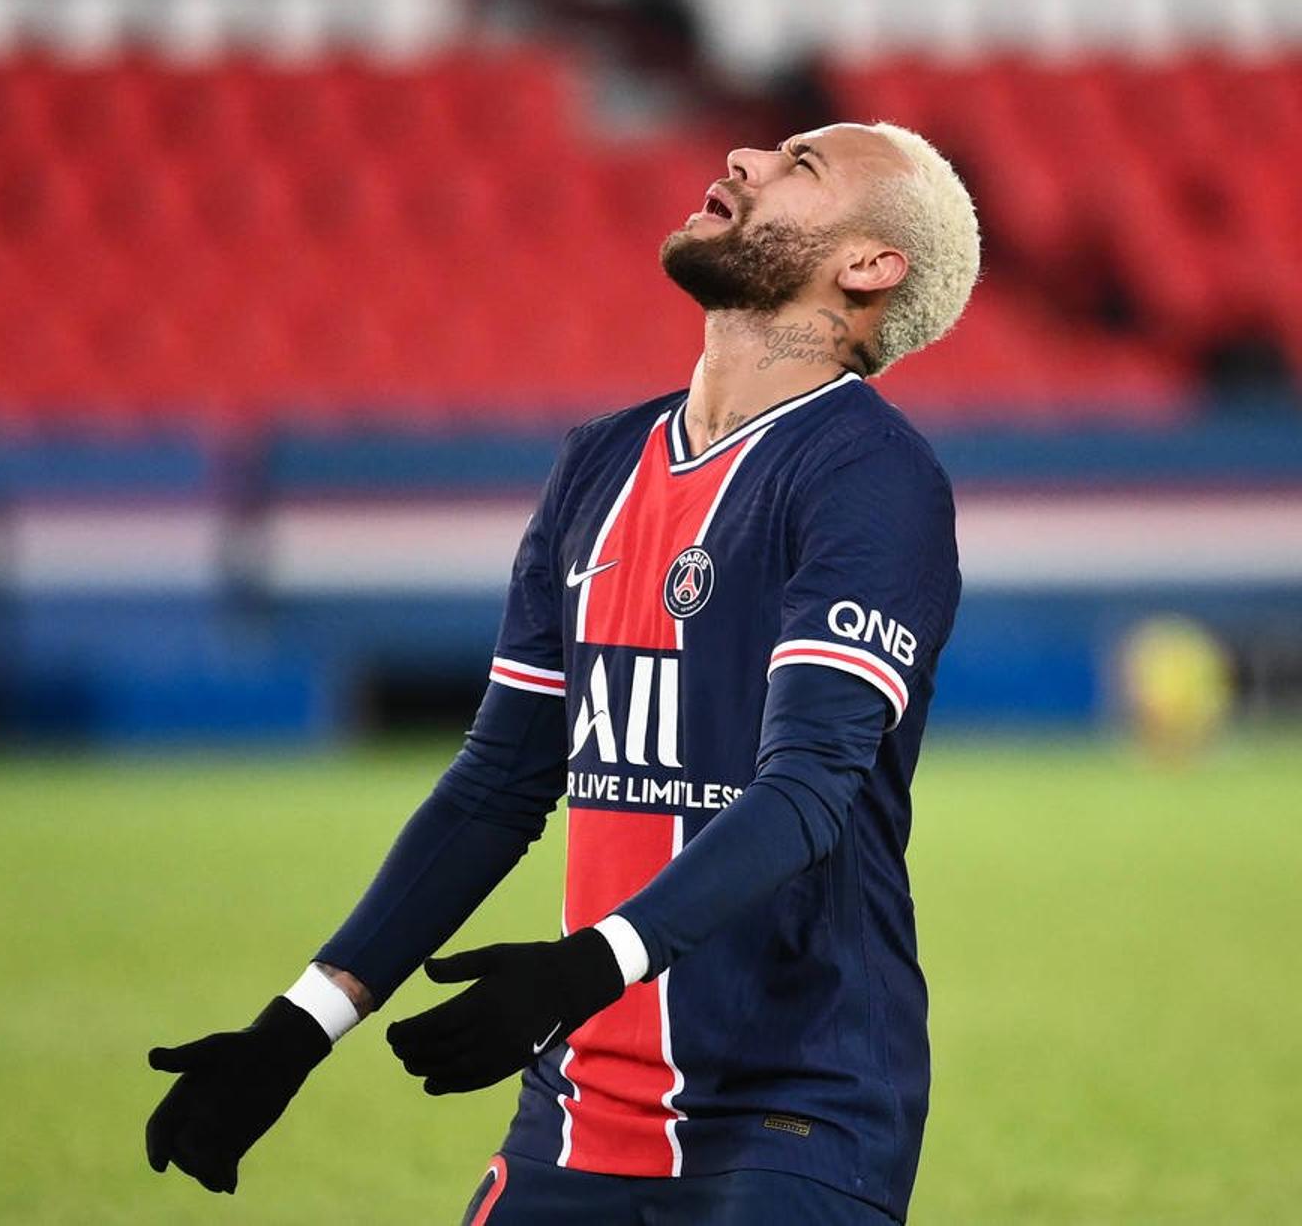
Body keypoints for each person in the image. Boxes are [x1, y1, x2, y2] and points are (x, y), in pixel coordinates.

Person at [146, 122, 980, 1224]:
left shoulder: (871, 477)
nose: (746, 159)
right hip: (578, 1104)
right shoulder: (598, 465)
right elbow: (497, 785)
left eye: (802, 166)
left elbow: (807, 790)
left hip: (797, 1107)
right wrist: (299, 1027)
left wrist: (582, 967)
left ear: (869, 267)